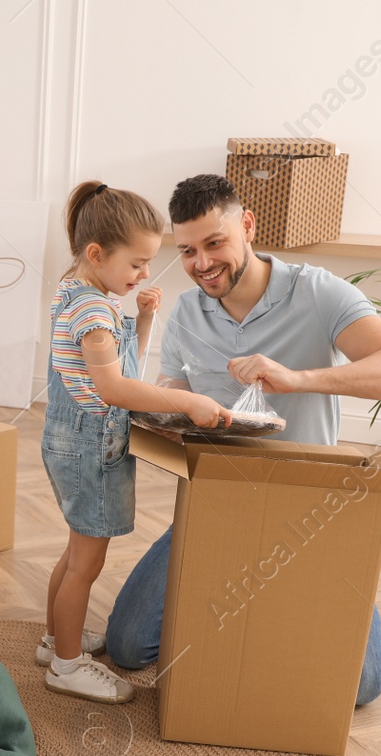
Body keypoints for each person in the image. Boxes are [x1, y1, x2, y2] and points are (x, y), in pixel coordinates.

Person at [105, 174, 381, 704]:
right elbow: (174, 390)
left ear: (247, 226)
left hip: (309, 505)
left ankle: (280, 596)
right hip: (218, 497)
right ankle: (246, 595)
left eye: (215, 243)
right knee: (126, 647)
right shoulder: (188, 311)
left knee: (363, 688)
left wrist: (298, 379)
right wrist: (165, 405)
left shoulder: (317, 291)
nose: (202, 264)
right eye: (187, 251)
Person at [40, 179, 232, 705]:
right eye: (137, 263)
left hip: (71, 439)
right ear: (97, 253)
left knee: (75, 550)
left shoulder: (76, 289)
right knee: (87, 563)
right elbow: (115, 387)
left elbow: (120, 367)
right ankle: (66, 665)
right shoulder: (95, 312)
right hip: (89, 447)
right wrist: (187, 403)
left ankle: (56, 639)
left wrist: (143, 319)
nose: (145, 274)